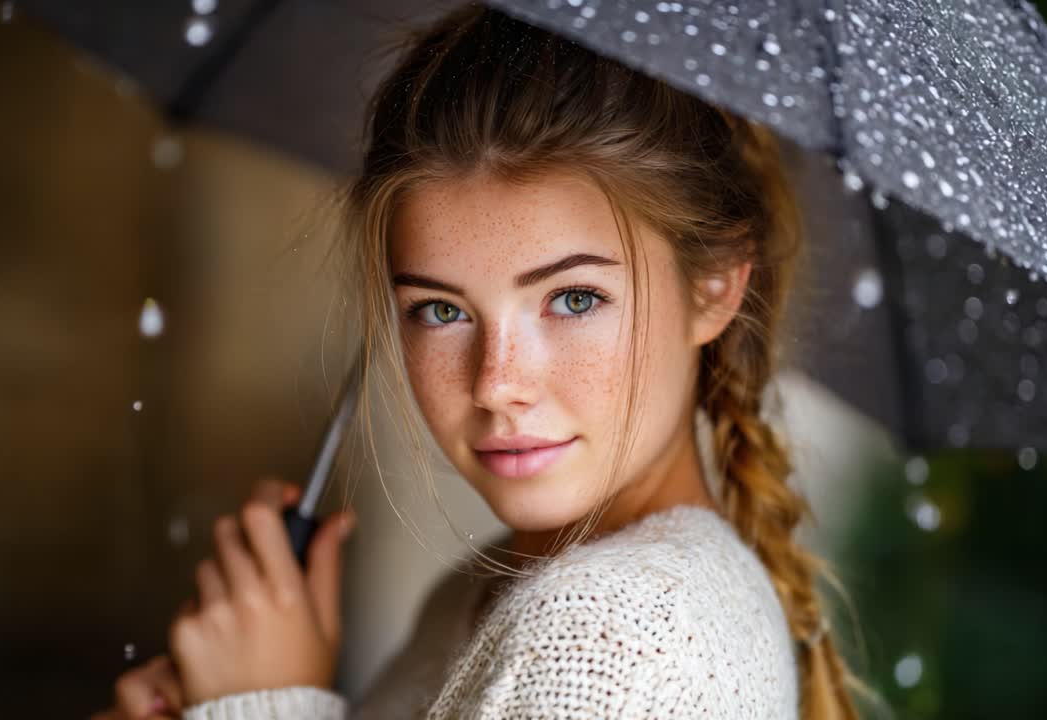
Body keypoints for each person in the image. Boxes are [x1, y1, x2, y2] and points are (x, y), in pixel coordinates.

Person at [94, 2, 874, 718]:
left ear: (713, 287)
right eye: (441, 309)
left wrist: (260, 703)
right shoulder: (486, 591)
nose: (497, 384)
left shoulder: (620, 636)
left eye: (573, 299)